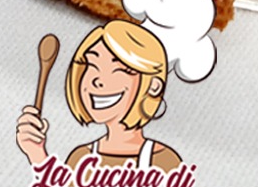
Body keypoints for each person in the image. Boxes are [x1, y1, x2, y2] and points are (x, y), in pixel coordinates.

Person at [16, 18, 181, 172]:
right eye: (91, 64)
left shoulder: (163, 161)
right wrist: (36, 152)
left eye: (121, 69)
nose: (97, 80)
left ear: (154, 86)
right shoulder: (81, 157)